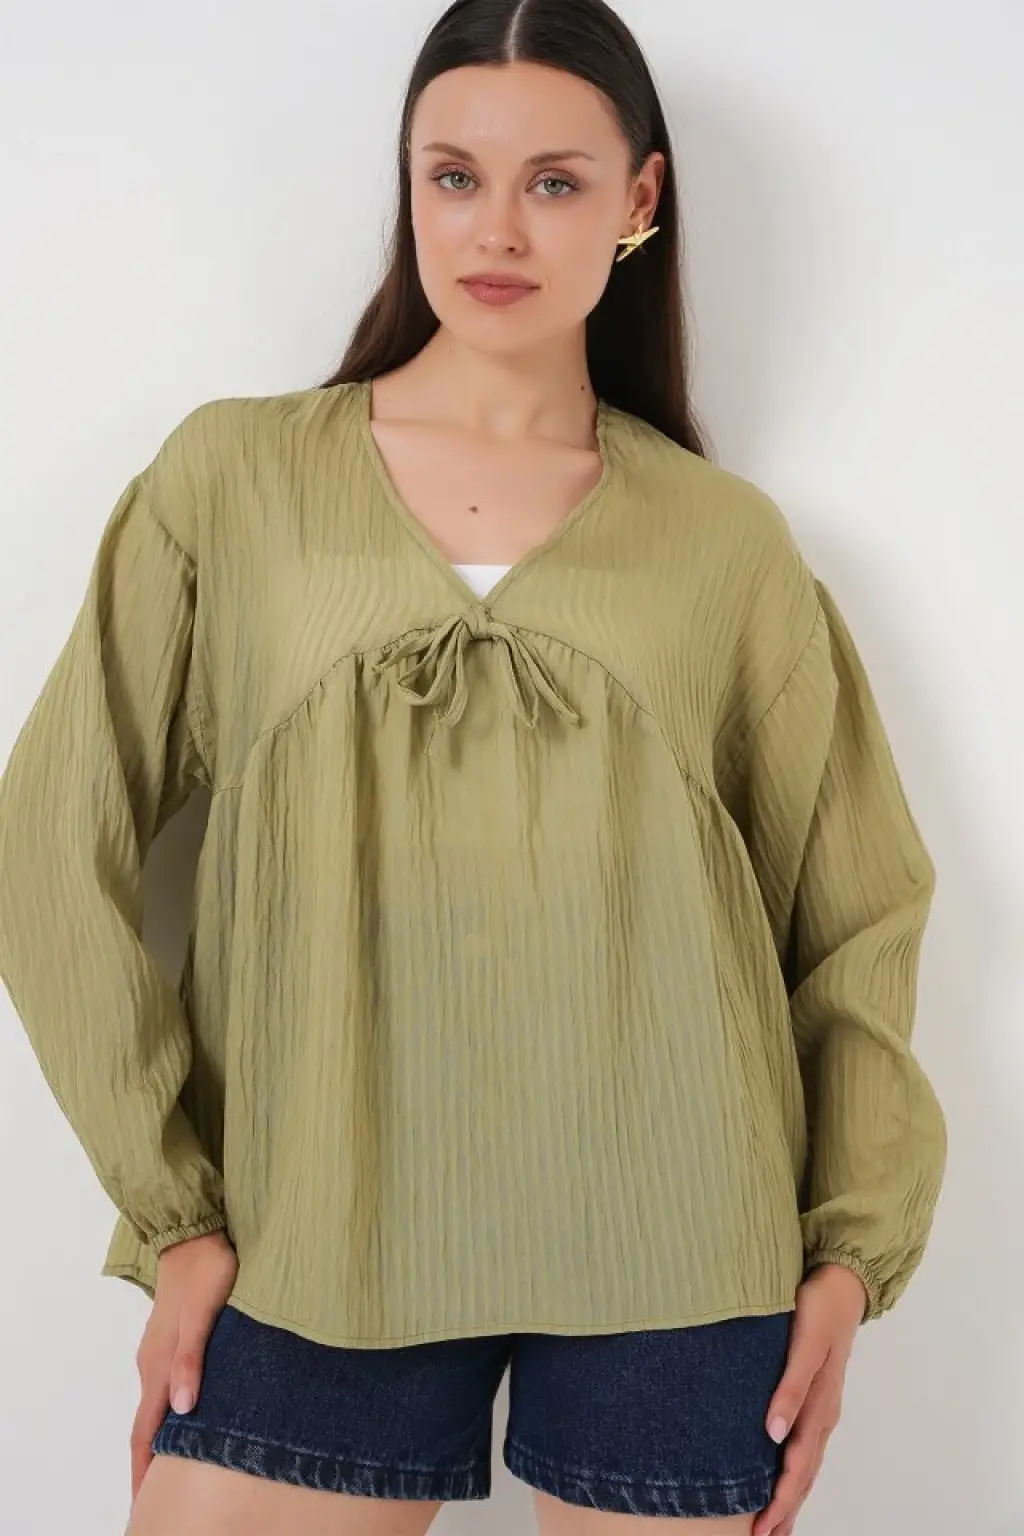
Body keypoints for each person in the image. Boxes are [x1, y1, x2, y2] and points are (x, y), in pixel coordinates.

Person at [0, 1, 947, 1533]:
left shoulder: (724, 542)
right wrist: (176, 1211)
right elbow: (52, 842)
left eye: (555, 182)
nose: (496, 228)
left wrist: (850, 1249)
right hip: (313, 1229)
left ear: (640, 198)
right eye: (454, 176)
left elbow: (856, 913)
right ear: (409, 185)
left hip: (683, 1241)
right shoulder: (234, 481)